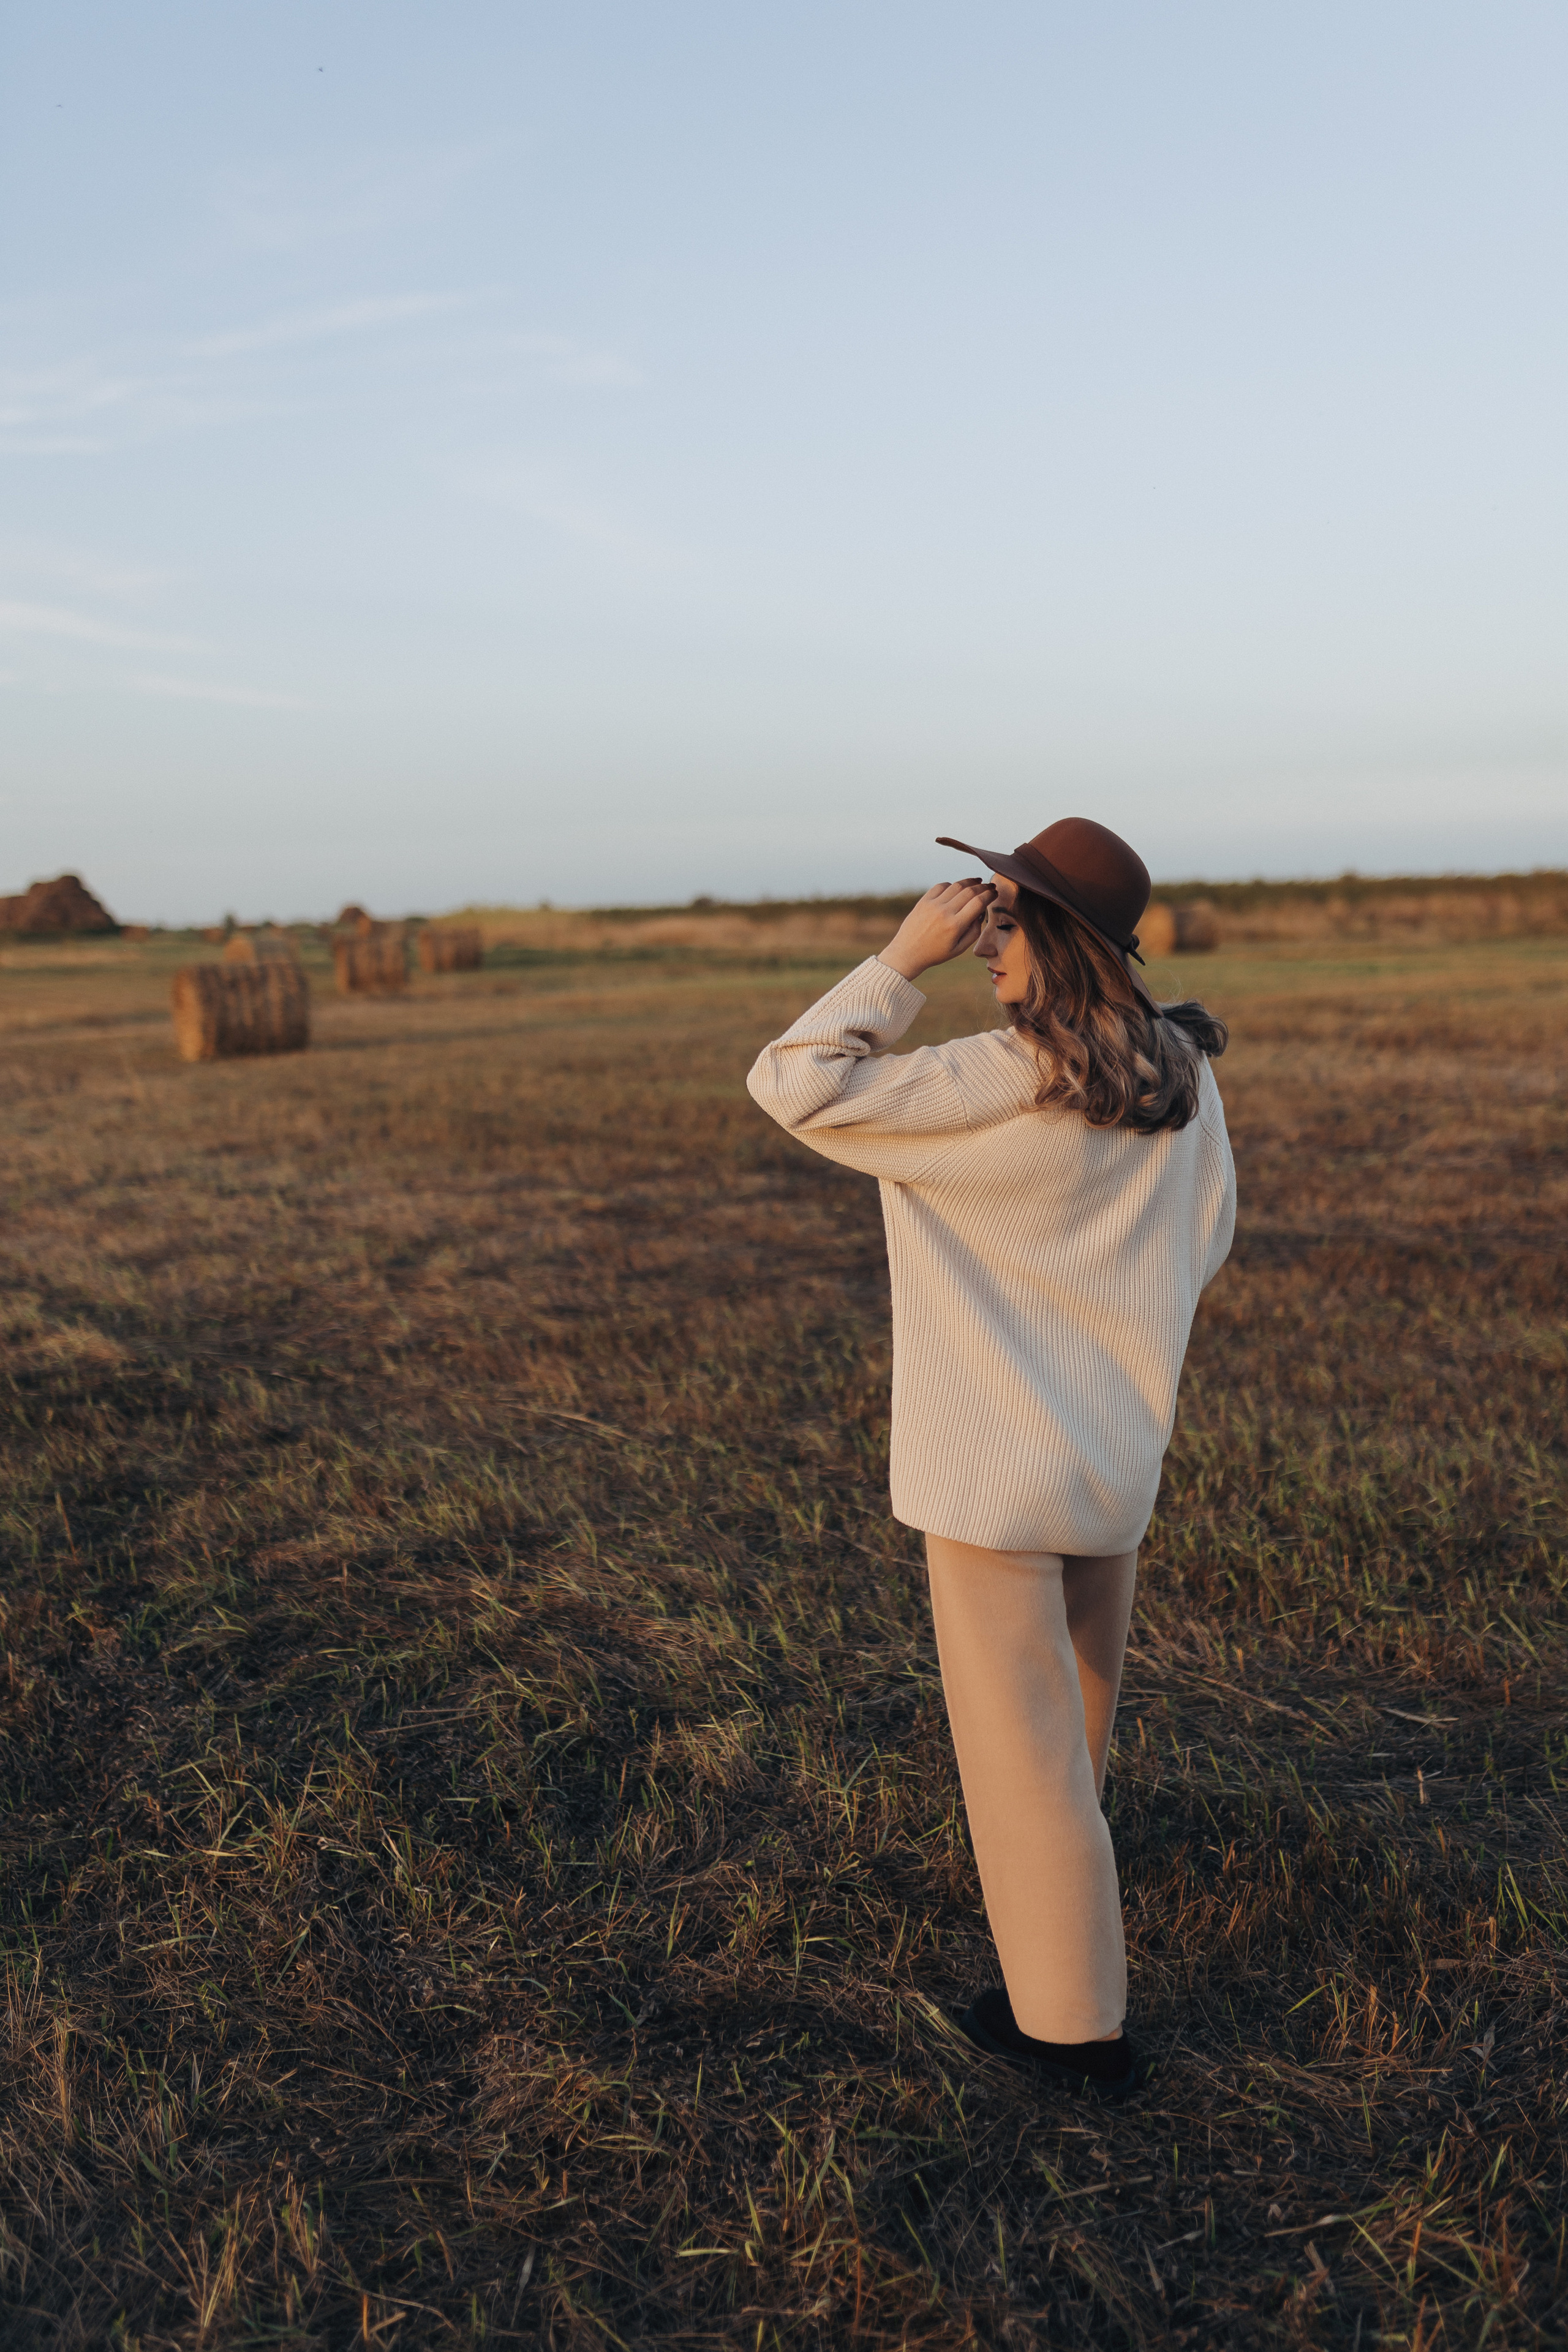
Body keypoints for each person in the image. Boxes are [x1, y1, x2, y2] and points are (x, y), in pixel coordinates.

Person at [746, 816, 1235, 2099]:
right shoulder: (1183, 1073)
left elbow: (793, 1079)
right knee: (1071, 1744)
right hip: (1111, 1459)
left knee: (1022, 1770)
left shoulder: (995, 1076)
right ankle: (1057, 1973)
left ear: (1059, 942)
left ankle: (1072, 2030)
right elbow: (1211, 1236)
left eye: (1004, 924)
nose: (985, 945)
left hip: (995, 1484)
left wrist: (898, 958)